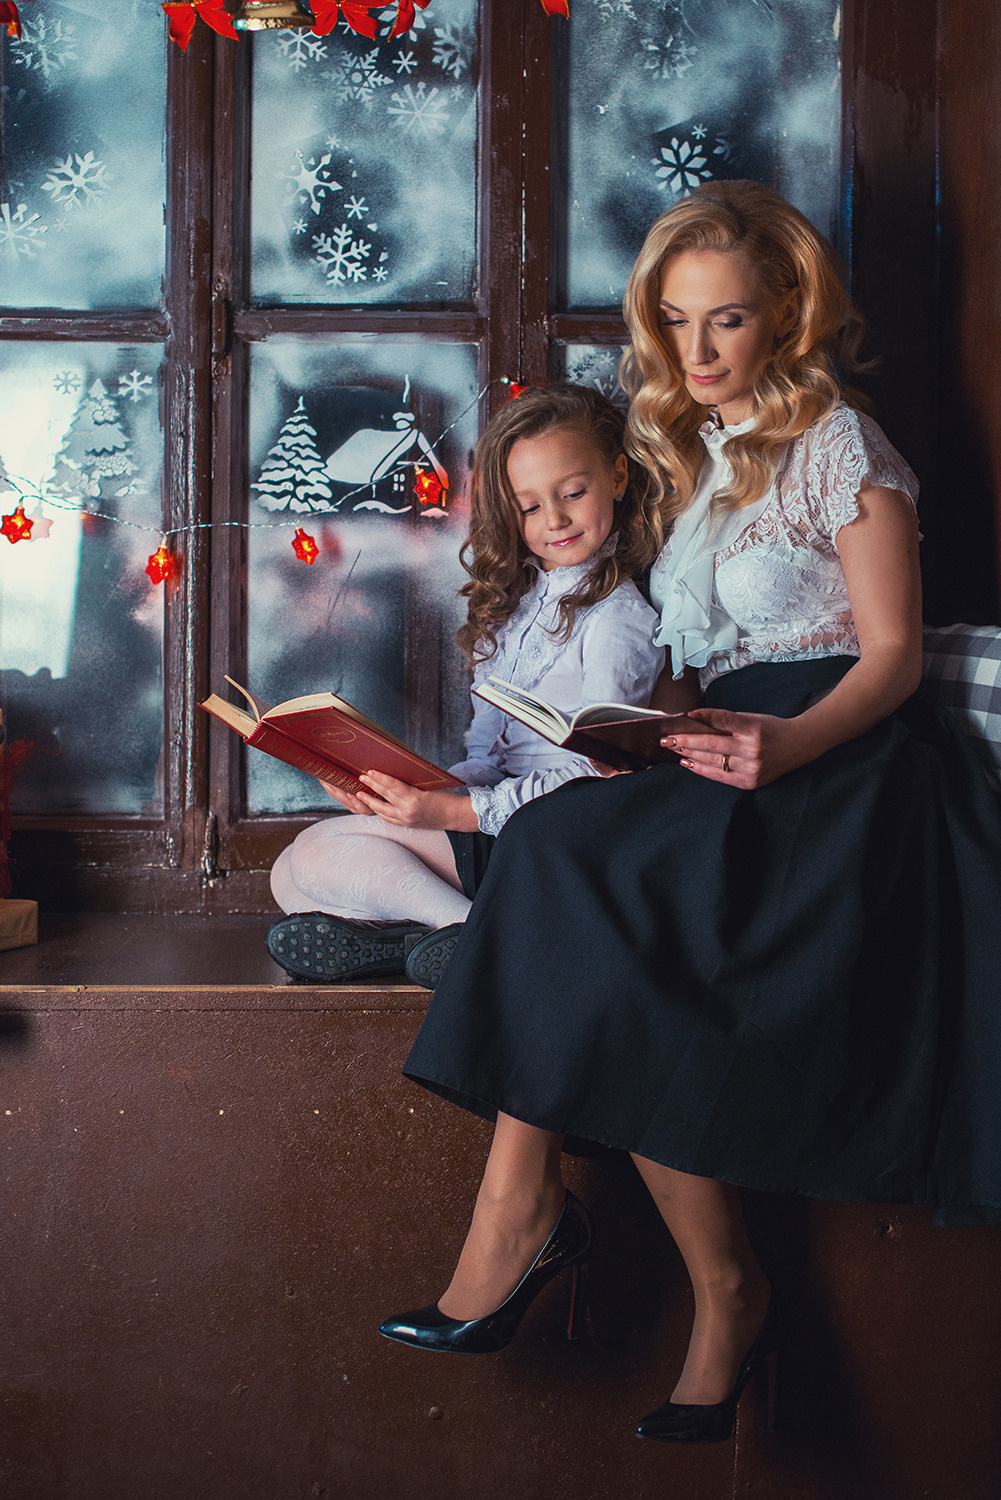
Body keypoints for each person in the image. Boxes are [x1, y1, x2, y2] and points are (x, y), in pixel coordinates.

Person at [379, 180, 1001, 1445]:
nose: (697, 351)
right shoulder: (685, 457)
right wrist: (631, 730)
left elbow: (885, 656)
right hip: (718, 740)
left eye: (724, 321)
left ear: (784, 311)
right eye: (674, 323)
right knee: (575, 870)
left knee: (565, 869)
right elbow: (686, 650)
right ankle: (717, 1283)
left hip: (840, 758)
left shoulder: (845, 443)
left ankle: (532, 1219)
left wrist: (785, 746)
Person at [266, 384, 664, 983]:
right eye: (529, 507)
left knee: (320, 856)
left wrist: (456, 810)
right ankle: (421, 933)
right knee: (287, 875)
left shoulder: (618, 617)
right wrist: (411, 791)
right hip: (490, 816)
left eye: (573, 493)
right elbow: (487, 752)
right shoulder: (520, 606)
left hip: (547, 833)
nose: (554, 519)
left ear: (617, 475)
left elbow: (604, 769)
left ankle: (490, 937)